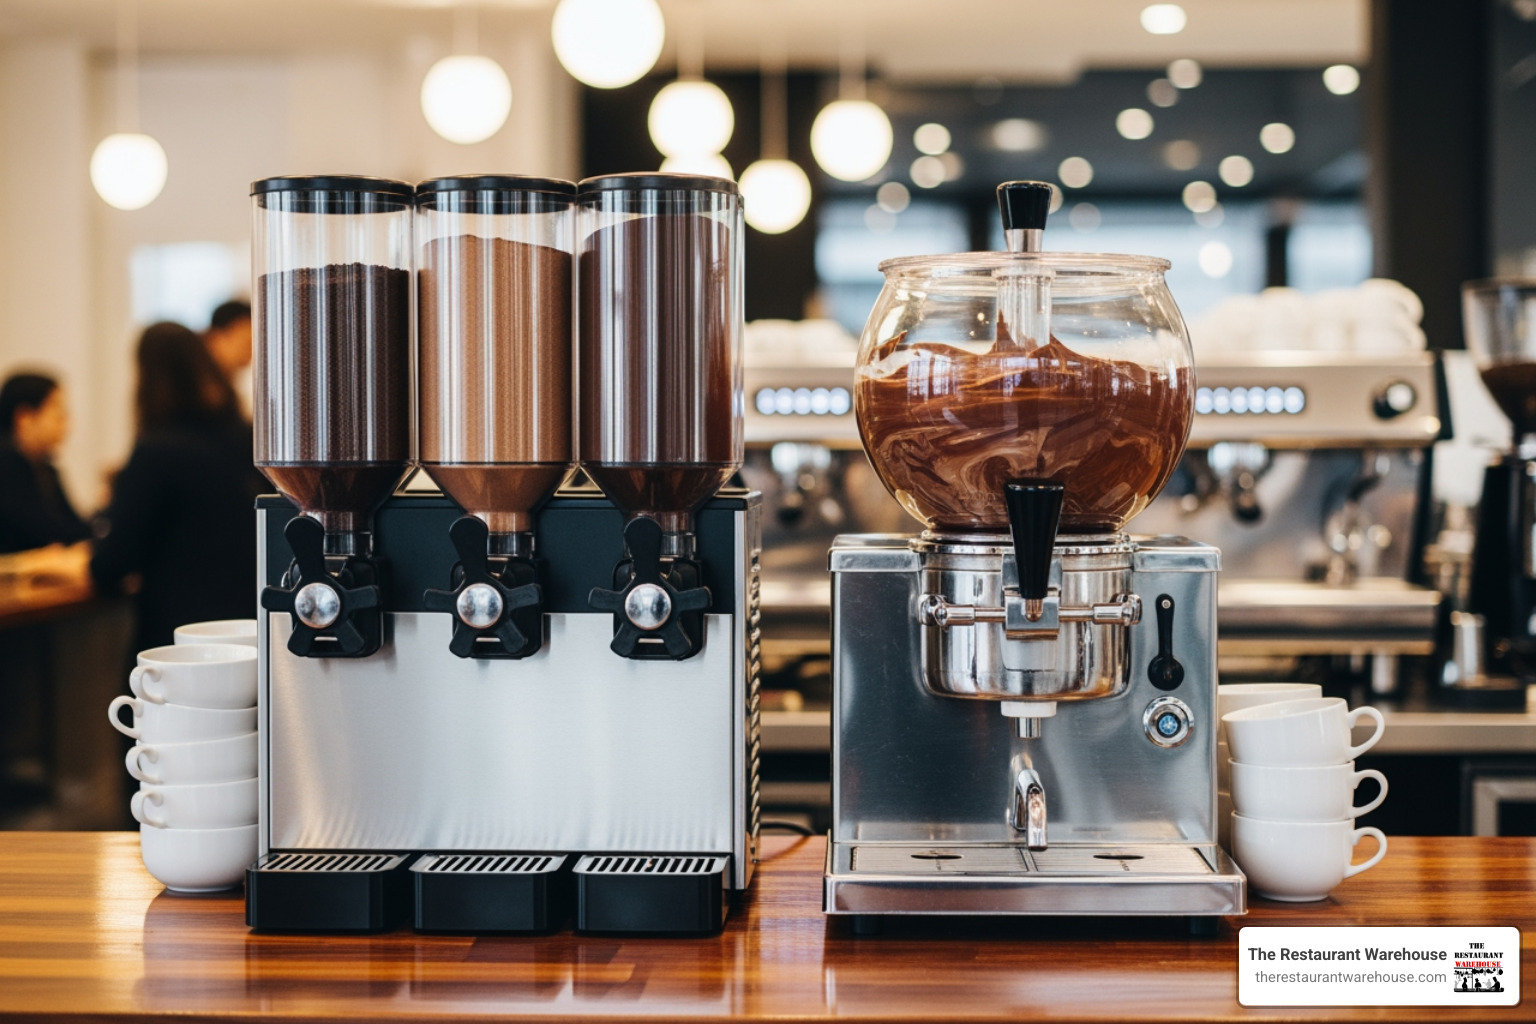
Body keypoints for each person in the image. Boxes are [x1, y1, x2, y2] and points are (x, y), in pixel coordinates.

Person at [90, 322, 266, 653]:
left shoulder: (157, 451)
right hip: (250, 630)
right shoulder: (247, 440)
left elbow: (111, 564)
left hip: (180, 640)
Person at [0, 372, 91, 555]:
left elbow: (76, 529)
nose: (65, 425)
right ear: (24, 418)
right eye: (58, 415)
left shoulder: (46, 470)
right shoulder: (7, 468)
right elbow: (46, 532)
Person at [204, 299, 252, 416]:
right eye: (246, 344)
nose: (251, 353)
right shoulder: (205, 389)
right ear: (216, 337)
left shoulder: (230, 386)